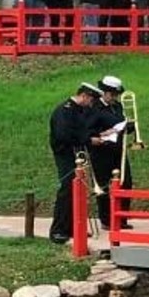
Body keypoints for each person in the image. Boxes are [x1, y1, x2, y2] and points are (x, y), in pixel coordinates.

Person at [48, 83, 101, 244]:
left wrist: (97, 135)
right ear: (84, 96)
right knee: (67, 189)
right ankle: (58, 230)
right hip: (65, 154)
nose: (91, 105)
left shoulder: (78, 111)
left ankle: (73, 227)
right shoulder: (64, 111)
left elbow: (82, 130)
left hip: (77, 153)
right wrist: (89, 140)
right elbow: (64, 135)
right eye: (91, 100)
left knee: (78, 190)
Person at [88, 76, 134, 230]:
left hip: (118, 150)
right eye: (112, 94)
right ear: (104, 93)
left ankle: (122, 218)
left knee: (125, 182)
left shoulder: (117, 106)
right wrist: (103, 133)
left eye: (116, 95)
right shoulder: (94, 107)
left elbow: (121, 123)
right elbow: (89, 130)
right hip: (101, 151)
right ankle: (106, 219)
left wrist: (128, 127)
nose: (114, 98)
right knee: (104, 185)